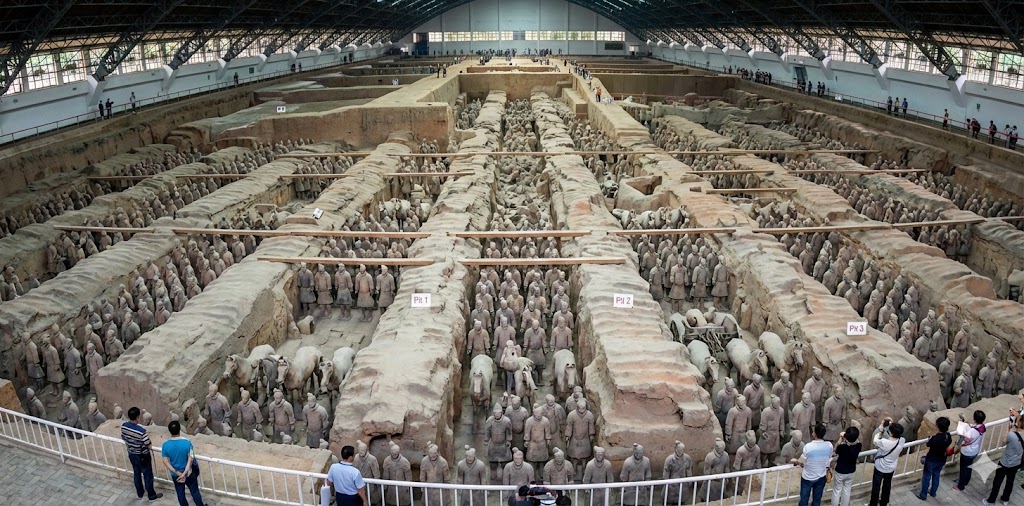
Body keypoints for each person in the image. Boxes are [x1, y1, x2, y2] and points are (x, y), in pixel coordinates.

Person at [121, 406, 163, 501]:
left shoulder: (124, 426)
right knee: (147, 475)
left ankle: (140, 493)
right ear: (138, 417)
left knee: (137, 473)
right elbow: (147, 443)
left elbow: (123, 437)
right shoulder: (141, 431)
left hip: (132, 454)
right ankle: (151, 495)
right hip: (143, 456)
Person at [161, 421, 206, 506]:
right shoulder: (187, 442)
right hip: (189, 473)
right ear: (180, 429)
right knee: (195, 491)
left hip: (176, 475)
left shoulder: (165, 445)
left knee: (180, 493)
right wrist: (185, 472)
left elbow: (165, 461)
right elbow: (191, 458)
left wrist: (177, 473)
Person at [984, 414, 1023, 504]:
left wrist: (1009, 429)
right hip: (1016, 463)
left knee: (997, 481)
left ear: (1020, 423)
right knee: (1010, 482)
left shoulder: (1012, 435)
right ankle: (1005, 499)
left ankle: (991, 500)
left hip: (1005, 462)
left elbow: (1003, 442)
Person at [793, 423, 831, 506]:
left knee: (804, 499)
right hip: (821, 476)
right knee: (817, 500)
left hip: (808, 477)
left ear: (814, 434)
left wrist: (795, 461)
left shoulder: (808, 446)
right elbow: (829, 457)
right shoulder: (829, 445)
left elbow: (801, 461)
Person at [869, 419, 905, 506]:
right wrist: (893, 427)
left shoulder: (884, 442)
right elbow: (897, 436)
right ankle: (884, 503)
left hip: (880, 468)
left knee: (876, 487)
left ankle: (873, 503)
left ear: (891, 433)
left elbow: (875, 440)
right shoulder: (902, 440)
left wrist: (881, 430)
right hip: (891, 468)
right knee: (887, 486)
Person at [918, 416, 951, 500]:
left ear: (938, 426)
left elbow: (928, 444)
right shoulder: (948, 436)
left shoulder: (935, 438)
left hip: (931, 459)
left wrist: (930, 439)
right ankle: (933, 492)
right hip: (941, 459)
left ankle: (923, 494)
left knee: (927, 476)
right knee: (936, 475)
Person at [953, 409, 986, 491]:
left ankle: (960, 486)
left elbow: (966, 438)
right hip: (974, 450)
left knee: (963, 468)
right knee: (969, 467)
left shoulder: (972, 431)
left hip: (967, 451)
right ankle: (966, 481)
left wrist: (962, 432)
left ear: (975, 419)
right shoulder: (982, 427)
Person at [831, 426, 861, 506]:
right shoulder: (858, 446)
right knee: (847, 490)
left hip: (840, 471)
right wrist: (848, 437)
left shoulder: (842, 447)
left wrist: (840, 439)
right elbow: (856, 441)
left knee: (837, 491)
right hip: (851, 471)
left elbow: (835, 450)